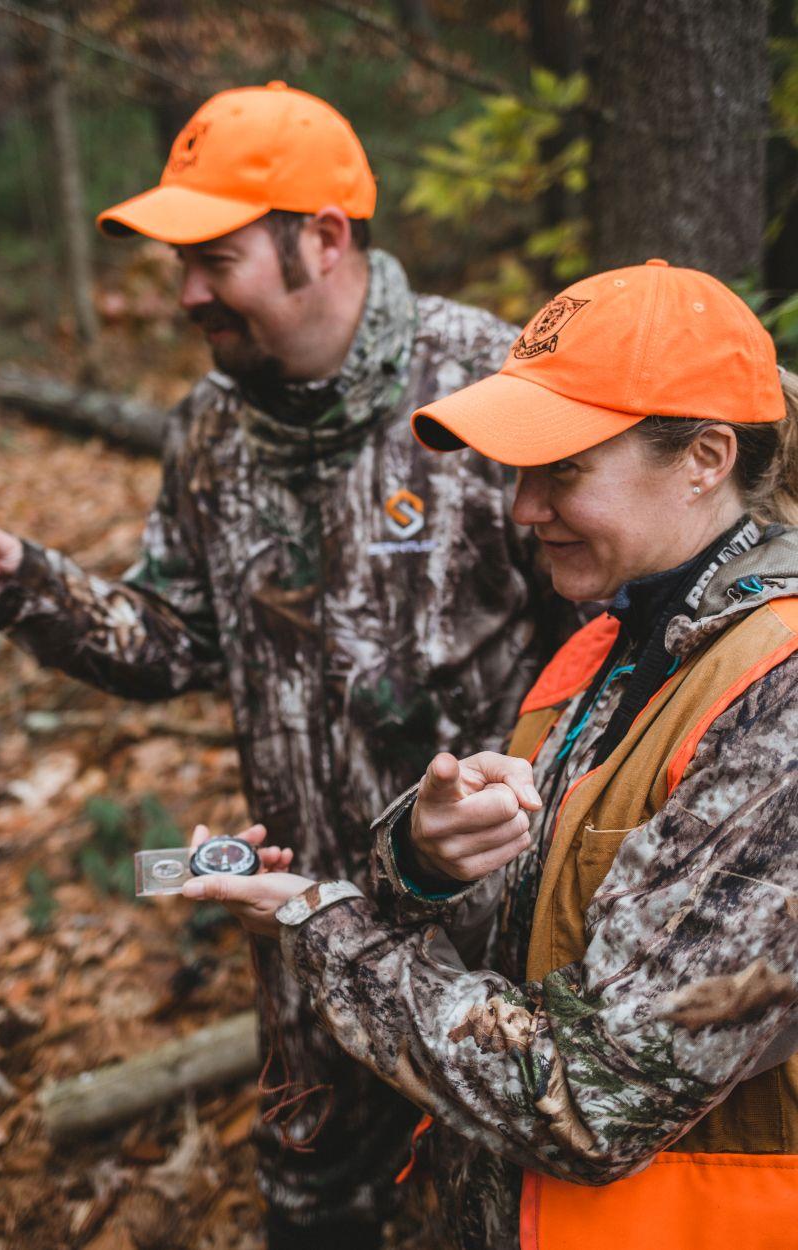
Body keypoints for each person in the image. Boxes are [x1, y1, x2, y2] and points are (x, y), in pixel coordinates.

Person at [0, 84, 576, 1250]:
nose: (186, 290)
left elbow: (600, 649)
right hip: (299, 931)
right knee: (313, 1211)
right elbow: (171, 640)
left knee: (493, 1214)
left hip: (493, 952)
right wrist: (24, 583)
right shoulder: (208, 426)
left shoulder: (489, 391)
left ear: (325, 238)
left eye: (216, 256)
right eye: (178, 261)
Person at [183, 259, 798, 1249]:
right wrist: (418, 858)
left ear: (704, 456)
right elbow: (541, 935)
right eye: (518, 472)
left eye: (561, 470)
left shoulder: (780, 698)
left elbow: (591, 1098)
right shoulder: (610, 645)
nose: (520, 510)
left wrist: (324, 926)